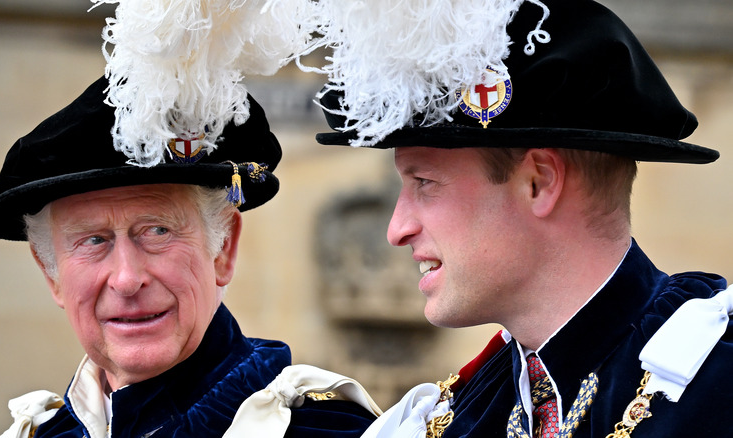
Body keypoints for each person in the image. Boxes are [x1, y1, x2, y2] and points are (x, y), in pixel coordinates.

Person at [311, 0, 733, 436]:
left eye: (425, 183)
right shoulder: (456, 416)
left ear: (538, 183)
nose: (397, 229)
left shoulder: (716, 389)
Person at [0, 73, 379, 437]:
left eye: (157, 231)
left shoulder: (326, 430)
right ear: (50, 272)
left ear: (223, 248)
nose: (126, 278)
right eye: (93, 241)